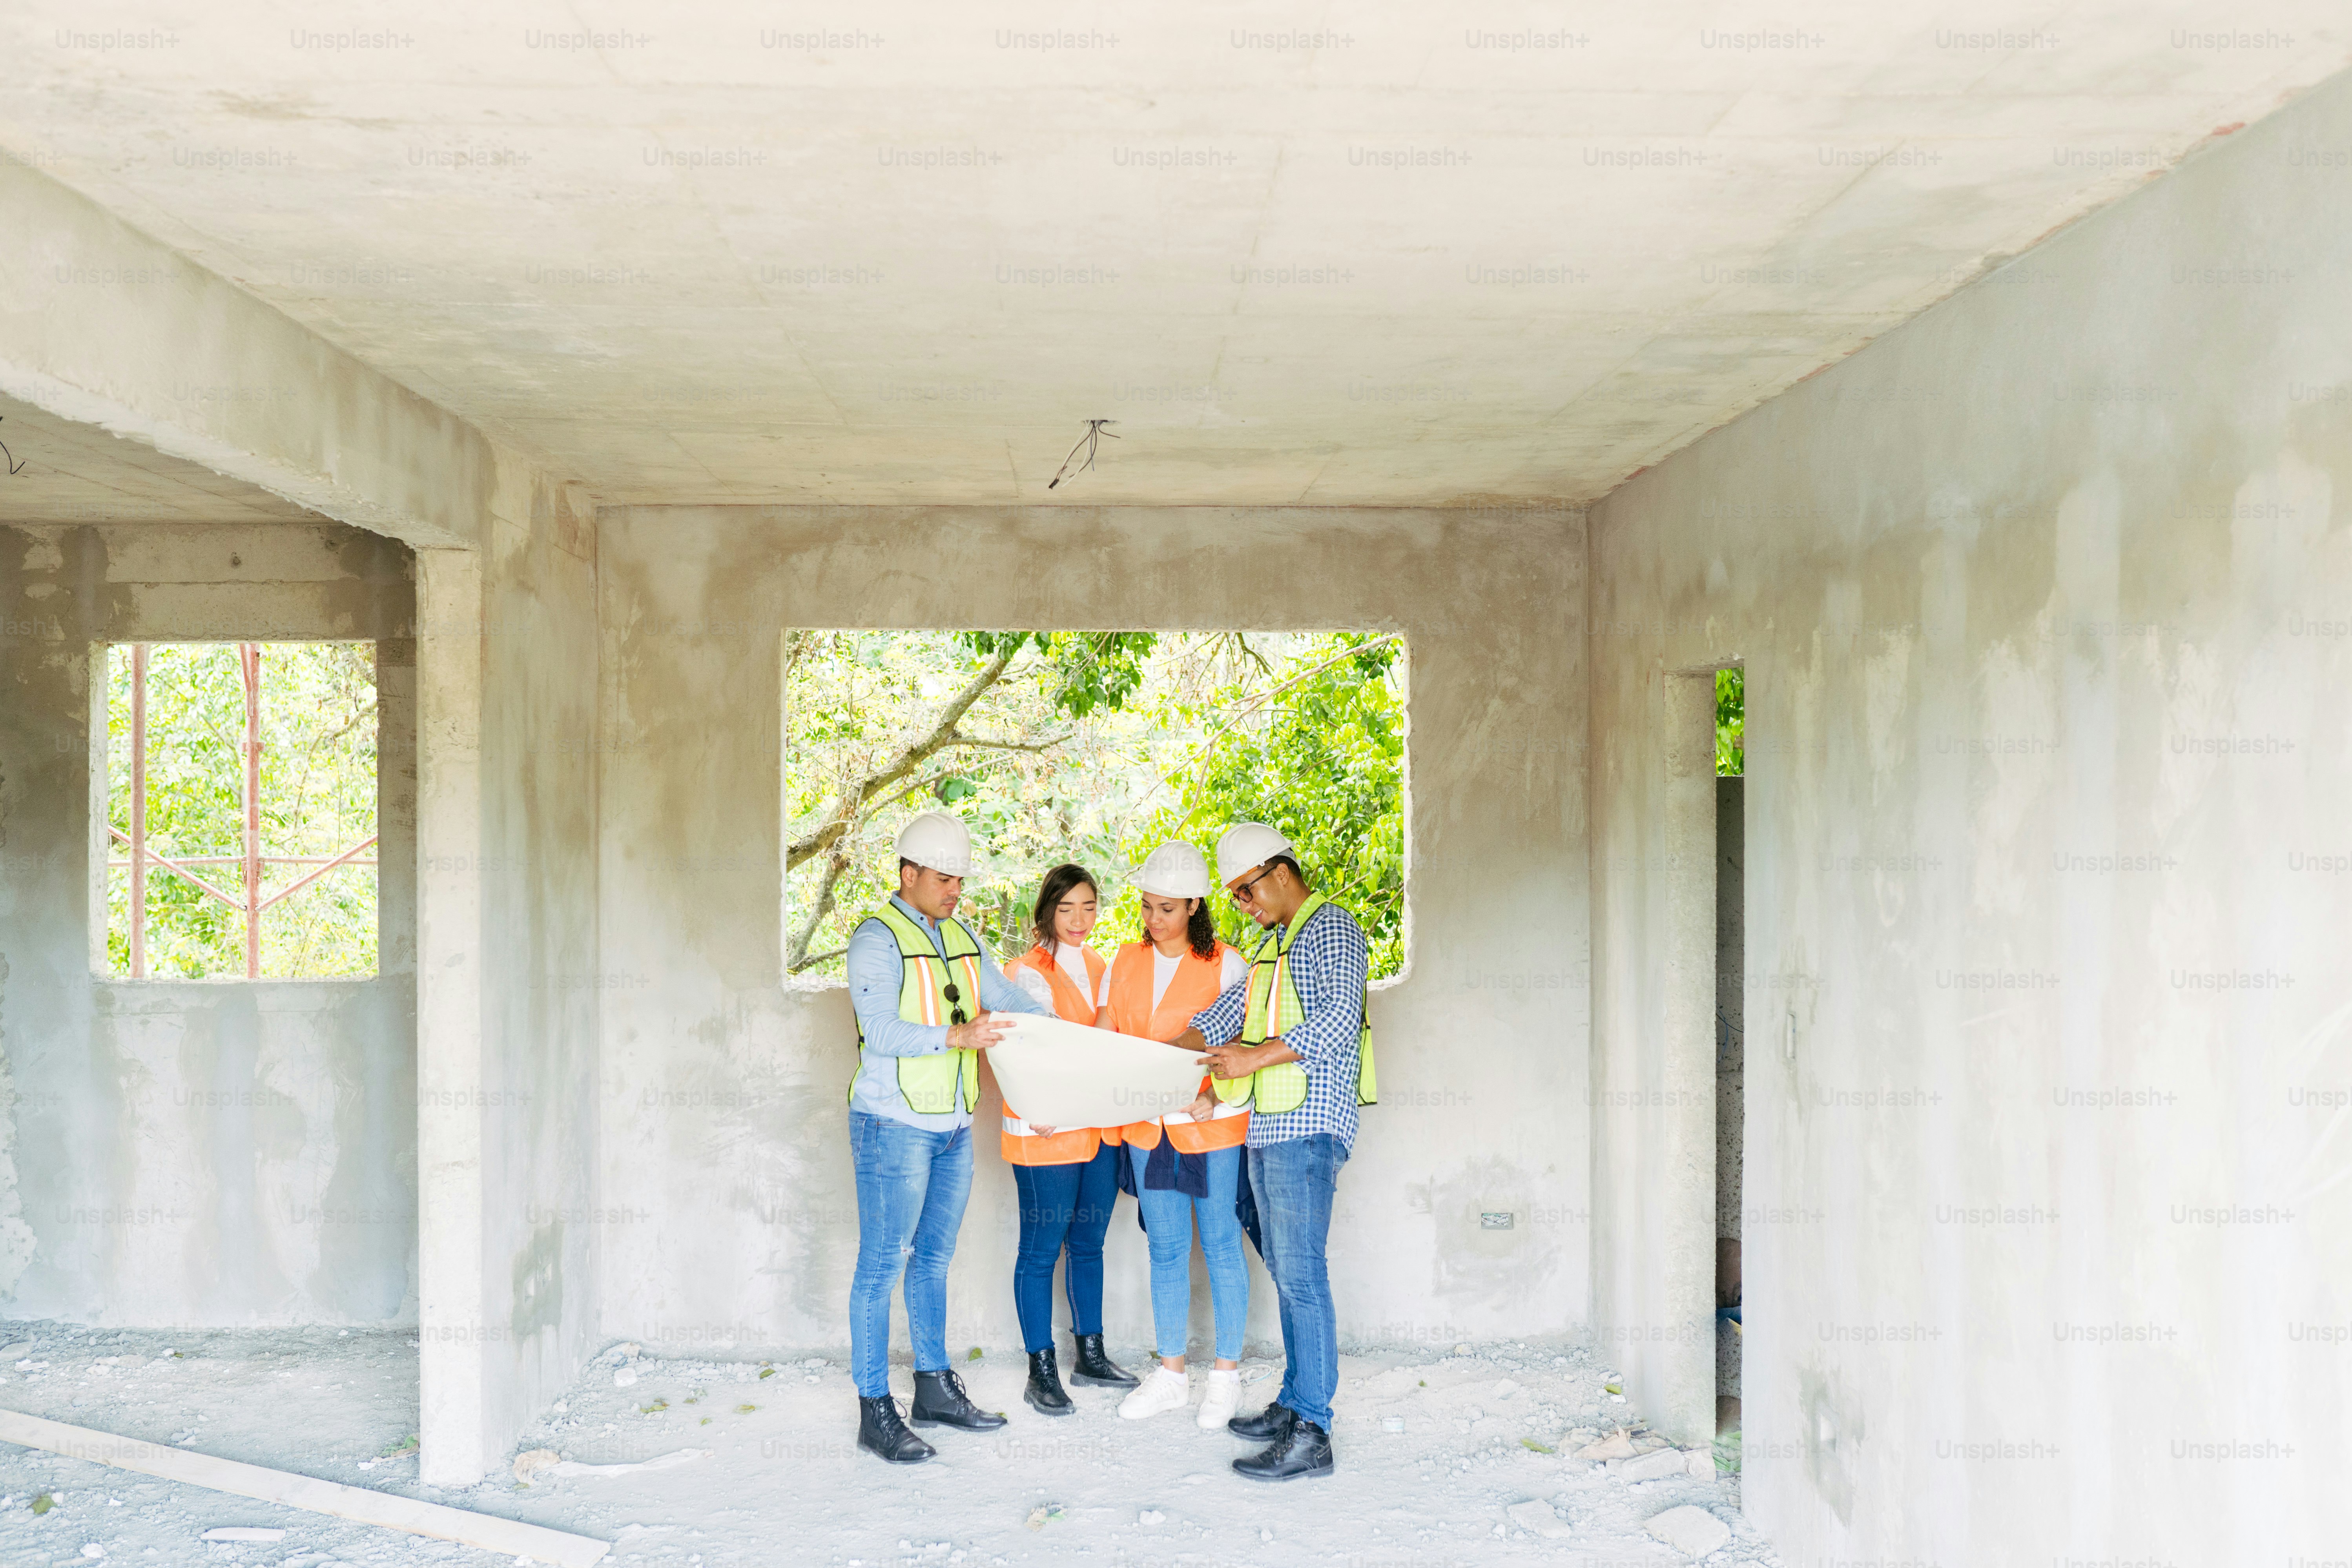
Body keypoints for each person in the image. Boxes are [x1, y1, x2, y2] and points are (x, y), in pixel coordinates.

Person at [844, 810, 1053, 1465]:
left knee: (932, 1260)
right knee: (883, 1265)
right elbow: (879, 1030)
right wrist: (957, 1037)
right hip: (892, 1126)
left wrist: (1066, 1043)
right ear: (908, 874)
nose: (955, 889)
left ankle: (933, 1387)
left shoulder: (962, 935)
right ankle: (874, 1410)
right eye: (943, 877)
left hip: (953, 1126)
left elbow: (1010, 1000)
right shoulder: (876, 939)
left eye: (959, 878)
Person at [1172, 823, 1378, 1482]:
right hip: (1269, 1129)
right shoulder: (1272, 947)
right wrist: (1157, 1057)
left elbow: (1338, 1018)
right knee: (1291, 1276)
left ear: (1279, 872)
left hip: (1308, 1130)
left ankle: (1312, 1431)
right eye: (1233, 896)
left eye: (1246, 890)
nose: (1242, 905)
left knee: (1301, 1278)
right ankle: (1294, 1404)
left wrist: (1252, 1057)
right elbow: (1223, 1014)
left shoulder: (1331, 929)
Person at [1098, 842, 1253, 1429]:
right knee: (1164, 1249)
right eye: (1146, 907)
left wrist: (1211, 1093)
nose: (1153, 920)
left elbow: (1241, 1043)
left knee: (1218, 1245)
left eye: (1166, 909)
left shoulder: (1229, 965)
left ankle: (1225, 1377)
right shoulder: (1126, 960)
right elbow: (1108, 1035)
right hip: (1146, 1126)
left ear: (1193, 905)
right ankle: (1169, 1375)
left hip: (1210, 1125)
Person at [998, 863, 1141, 1415]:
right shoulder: (1024, 972)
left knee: (1088, 1244)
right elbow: (1037, 1051)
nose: (1079, 920)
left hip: (1099, 1129)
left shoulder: (1103, 966)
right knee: (1039, 1252)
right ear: (1045, 913)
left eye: (1088, 907)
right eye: (1066, 909)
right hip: (1047, 1132)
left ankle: (1091, 1355)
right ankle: (1041, 1371)